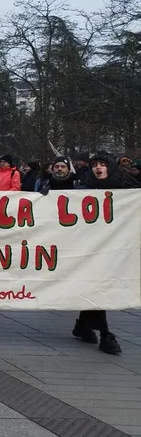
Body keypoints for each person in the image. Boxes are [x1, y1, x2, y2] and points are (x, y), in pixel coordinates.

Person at [72, 152, 123, 354]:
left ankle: (83, 326)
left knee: (97, 288)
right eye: (95, 165)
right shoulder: (82, 191)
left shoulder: (124, 192)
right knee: (97, 288)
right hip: (88, 248)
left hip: (114, 248)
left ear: (110, 167)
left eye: (103, 164)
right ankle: (105, 334)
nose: (98, 168)